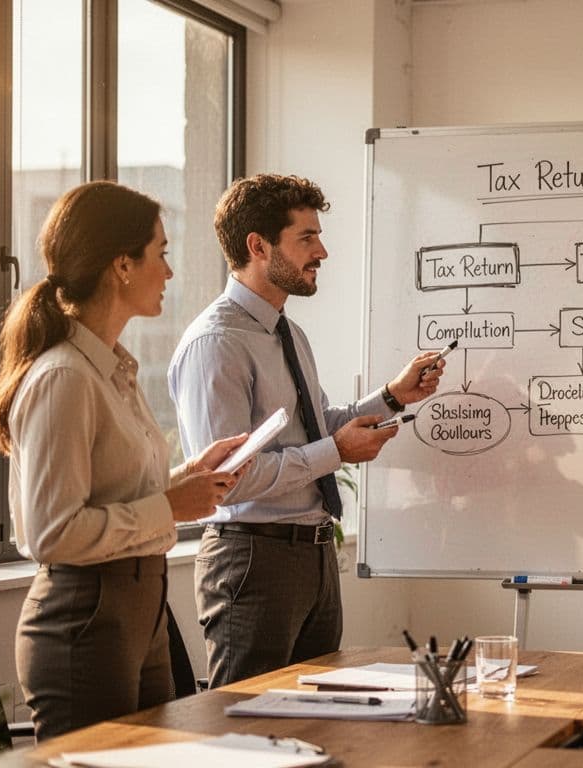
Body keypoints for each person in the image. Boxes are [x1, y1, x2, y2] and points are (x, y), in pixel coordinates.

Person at [0, 181, 247, 739]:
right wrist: (171, 507)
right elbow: (53, 533)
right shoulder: (64, 378)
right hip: (87, 617)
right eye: (161, 253)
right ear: (122, 265)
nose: (169, 272)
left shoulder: (112, 370)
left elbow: (115, 491)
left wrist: (190, 476)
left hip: (139, 611)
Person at [168, 173, 445, 686]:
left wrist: (392, 396)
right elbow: (229, 479)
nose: (322, 252)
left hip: (313, 557)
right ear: (258, 246)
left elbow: (313, 429)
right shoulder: (217, 343)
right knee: (246, 720)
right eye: (307, 238)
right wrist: (336, 451)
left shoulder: (288, 332)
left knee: (319, 715)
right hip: (253, 558)